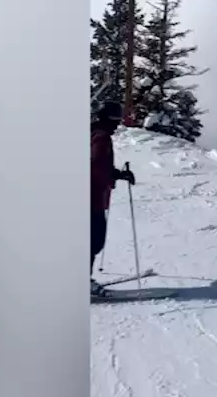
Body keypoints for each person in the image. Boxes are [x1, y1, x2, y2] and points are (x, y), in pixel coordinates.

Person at [91, 100, 135, 296]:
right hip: (91, 198)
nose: (117, 125)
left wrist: (117, 174)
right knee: (93, 240)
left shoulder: (93, 133)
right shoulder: (101, 138)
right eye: (115, 121)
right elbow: (96, 166)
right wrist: (111, 177)